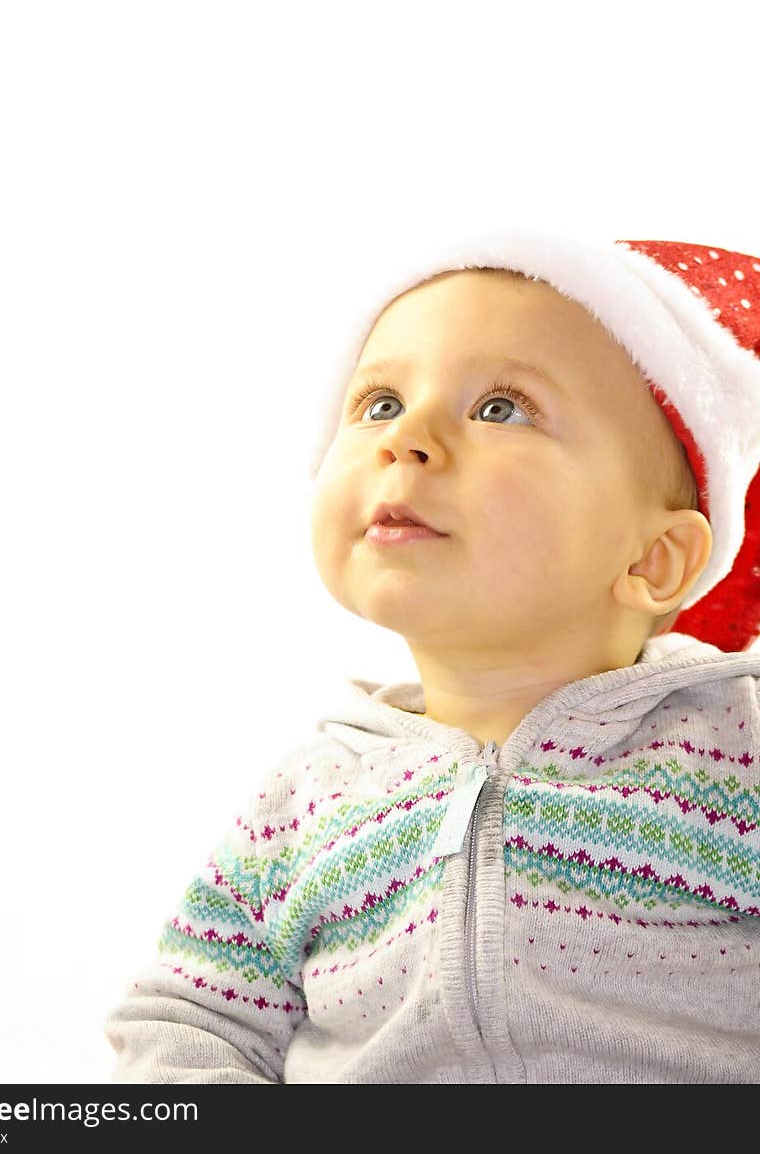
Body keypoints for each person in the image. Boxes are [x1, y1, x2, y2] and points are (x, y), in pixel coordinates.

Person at [103, 226, 760, 1084]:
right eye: (378, 403)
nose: (403, 438)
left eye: (500, 407)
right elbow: (192, 1015)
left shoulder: (733, 748)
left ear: (653, 558)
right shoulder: (311, 797)